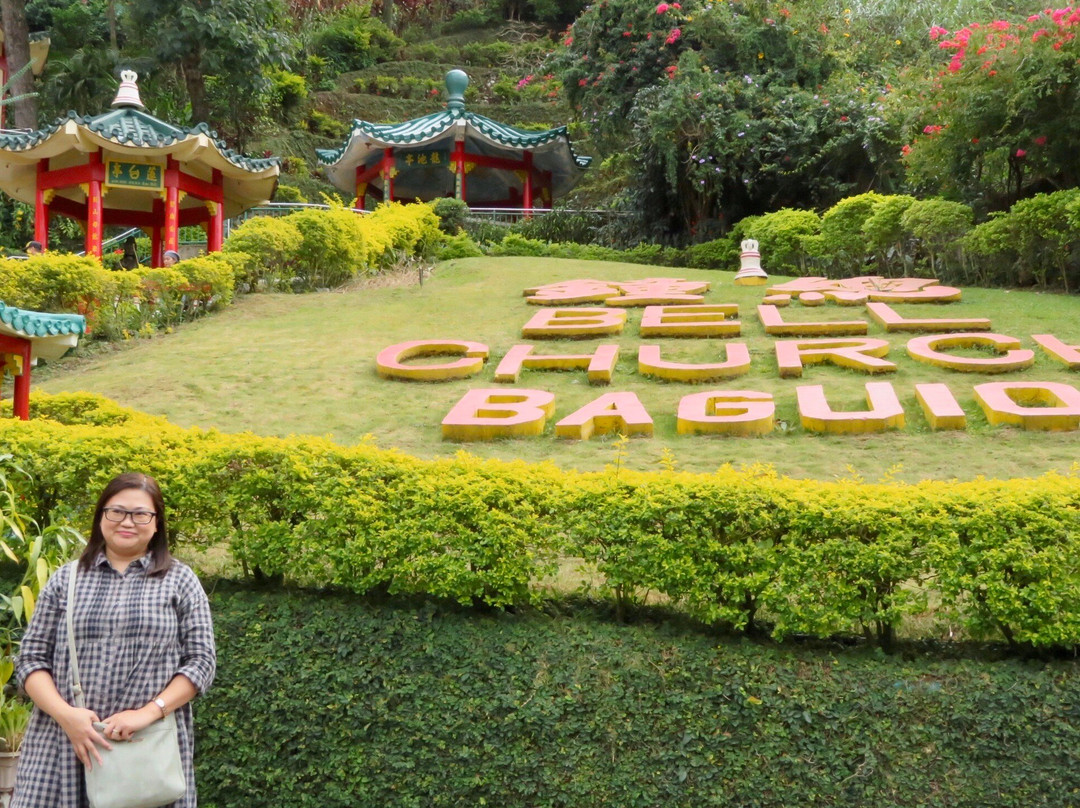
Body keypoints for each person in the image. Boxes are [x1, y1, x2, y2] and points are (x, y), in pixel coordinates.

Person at [12, 473, 217, 808]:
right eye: (116, 511)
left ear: (156, 524)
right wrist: (67, 716)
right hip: (61, 744)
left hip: (145, 748)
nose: (127, 522)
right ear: (100, 516)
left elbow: (201, 663)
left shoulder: (180, 580)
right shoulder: (67, 579)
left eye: (141, 514)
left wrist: (147, 713)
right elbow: (31, 659)